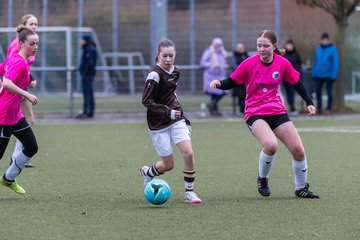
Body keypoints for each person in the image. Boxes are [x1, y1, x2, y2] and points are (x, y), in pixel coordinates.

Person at [209, 30, 319, 199]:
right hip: (255, 112)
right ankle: (263, 179)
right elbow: (232, 81)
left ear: (274, 47)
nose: (261, 49)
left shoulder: (282, 63)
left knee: (298, 149)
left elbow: (297, 83)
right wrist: (219, 83)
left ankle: (301, 187)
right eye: (259, 45)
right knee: (270, 145)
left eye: (265, 46)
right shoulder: (249, 63)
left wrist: (309, 102)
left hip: (277, 111)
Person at [140, 38, 201, 204]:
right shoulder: (154, 75)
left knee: (188, 153)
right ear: (158, 56)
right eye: (164, 56)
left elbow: (172, 96)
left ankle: (189, 193)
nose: (168, 59)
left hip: (176, 120)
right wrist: (168, 112)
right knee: (168, 165)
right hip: (158, 124)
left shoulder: (175, 72)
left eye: (171, 56)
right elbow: (146, 101)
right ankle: (149, 172)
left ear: (175, 55)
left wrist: (183, 117)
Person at [0, 27, 39, 194]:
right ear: (22, 44)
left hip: (15, 114)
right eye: (32, 44)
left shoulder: (15, 58)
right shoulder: (19, 62)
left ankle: (8, 179)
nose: (35, 47)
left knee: (31, 146)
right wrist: (27, 95)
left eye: (37, 43)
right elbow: (7, 82)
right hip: (4, 115)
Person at [200, 37, 228, 116]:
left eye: (219, 45)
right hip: (210, 76)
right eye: (216, 44)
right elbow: (203, 63)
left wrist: (223, 66)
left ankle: (212, 105)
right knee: (214, 93)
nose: (217, 46)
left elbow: (223, 62)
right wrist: (212, 65)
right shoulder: (209, 52)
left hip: (220, 76)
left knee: (223, 91)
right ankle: (214, 109)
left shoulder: (222, 53)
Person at [312, 33, 339, 114]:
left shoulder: (333, 49)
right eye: (323, 40)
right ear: (321, 40)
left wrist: (333, 75)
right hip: (319, 75)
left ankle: (328, 108)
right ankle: (319, 108)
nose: (324, 41)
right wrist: (314, 73)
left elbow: (335, 63)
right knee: (318, 92)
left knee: (329, 92)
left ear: (328, 40)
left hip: (328, 75)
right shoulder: (318, 49)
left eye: (326, 40)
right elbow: (315, 62)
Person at [76, 35, 97, 119]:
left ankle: (87, 111)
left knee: (87, 93)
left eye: (82, 40)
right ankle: (89, 111)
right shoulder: (88, 49)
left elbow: (89, 63)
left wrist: (84, 73)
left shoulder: (89, 49)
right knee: (89, 93)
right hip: (88, 75)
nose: (81, 42)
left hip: (87, 75)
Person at [283, 39, 303, 115]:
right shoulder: (283, 54)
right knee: (288, 92)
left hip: (294, 77)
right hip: (285, 77)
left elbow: (300, 64)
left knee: (292, 92)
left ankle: (292, 107)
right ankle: (291, 106)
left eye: (290, 45)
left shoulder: (296, 54)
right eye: (288, 45)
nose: (289, 46)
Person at [231, 43, 248, 116]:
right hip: (238, 79)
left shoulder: (246, 55)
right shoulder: (234, 56)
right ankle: (242, 110)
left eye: (242, 48)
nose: (241, 50)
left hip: (247, 79)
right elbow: (234, 66)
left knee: (247, 95)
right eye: (239, 48)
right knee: (240, 95)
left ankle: (247, 110)